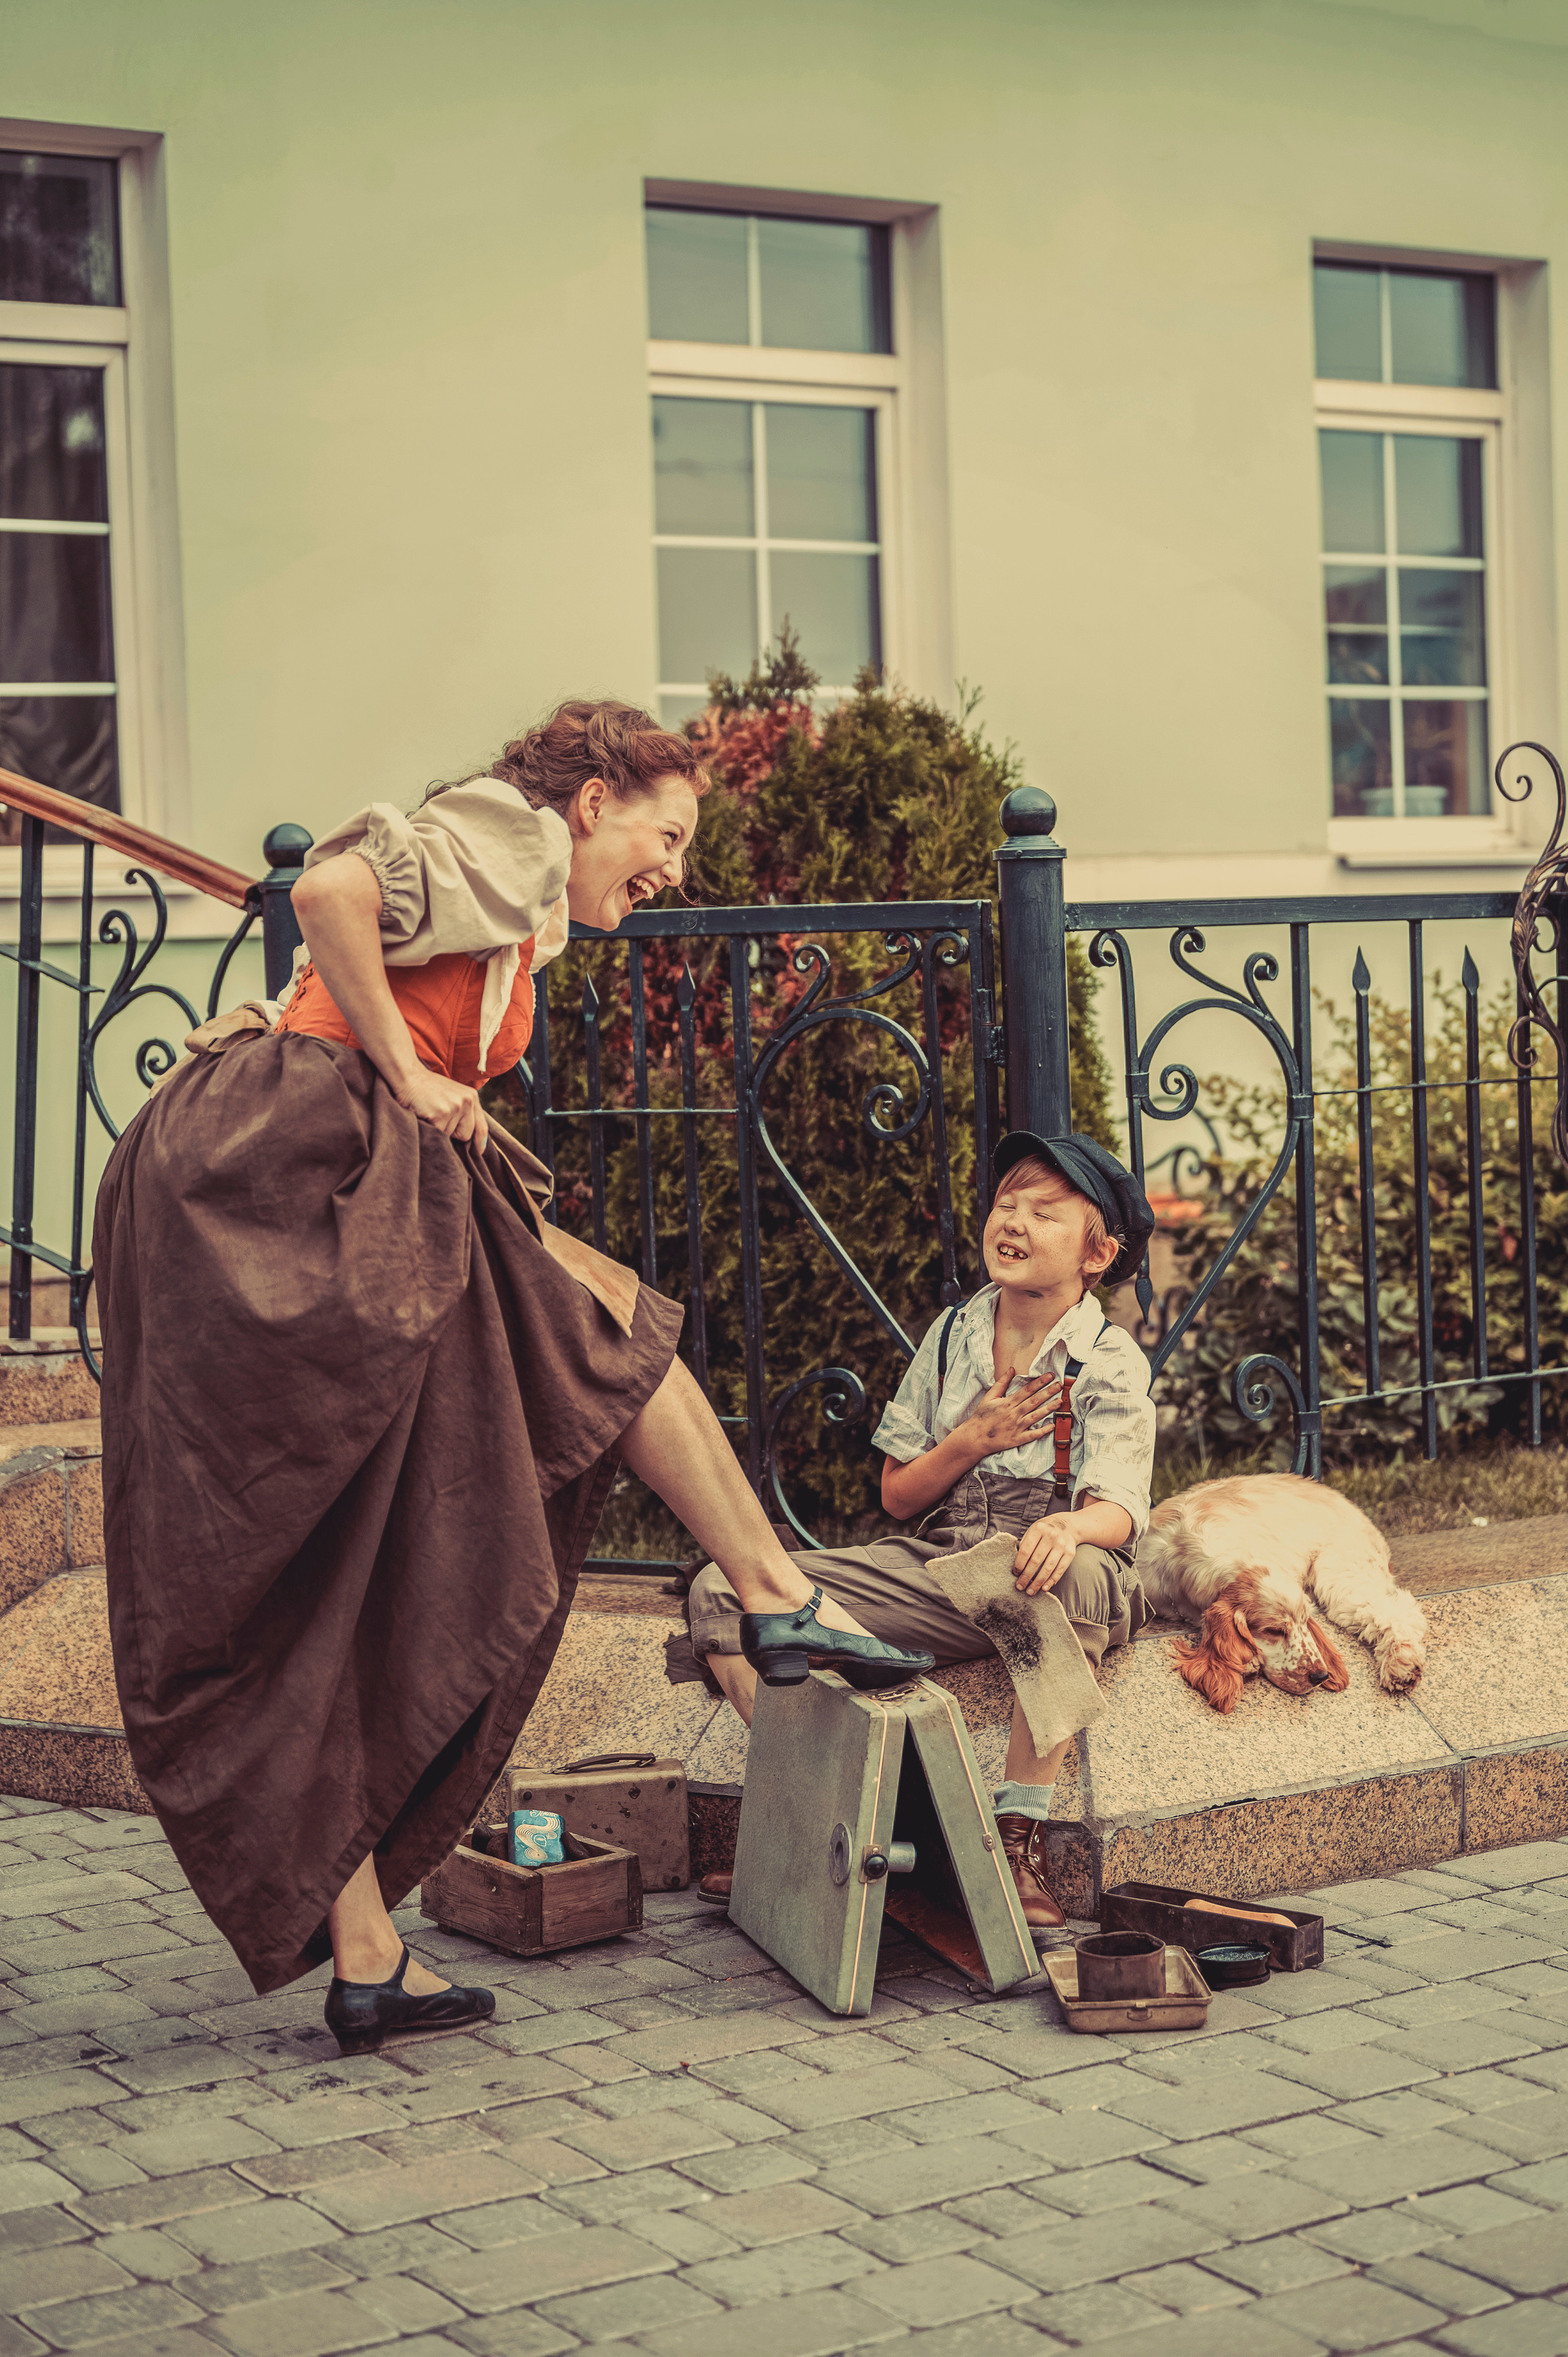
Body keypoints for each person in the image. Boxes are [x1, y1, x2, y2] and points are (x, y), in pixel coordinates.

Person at [93, 698, 932, 2056]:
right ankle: (777, 1597)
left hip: (320, 1169)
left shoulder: (518, 887)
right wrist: (403, 1073)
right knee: (602, 1332)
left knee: (332, 1574)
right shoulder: (516, 830)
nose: (671, 870)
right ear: (593, 800)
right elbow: (326, 888)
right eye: (665, 833)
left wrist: (421, 1081)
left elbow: (371, 956)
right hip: (289, 1179)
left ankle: (369, 1960)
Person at [689, 1131, 1157, 1930]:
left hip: (1040, 1563)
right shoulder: (952, 1337)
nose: (1013, 1222)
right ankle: (834, 1815)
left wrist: (1075, 1527)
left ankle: (1016, 1839)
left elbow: (1121, 1509)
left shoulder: (1108, 1358)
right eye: (1006, 1203)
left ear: (1098, 1253)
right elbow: (901, 1496)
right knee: (725, 1589)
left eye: (1044, 1212)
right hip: (944, 1563)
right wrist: (970, 1441)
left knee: (1072, 1575)